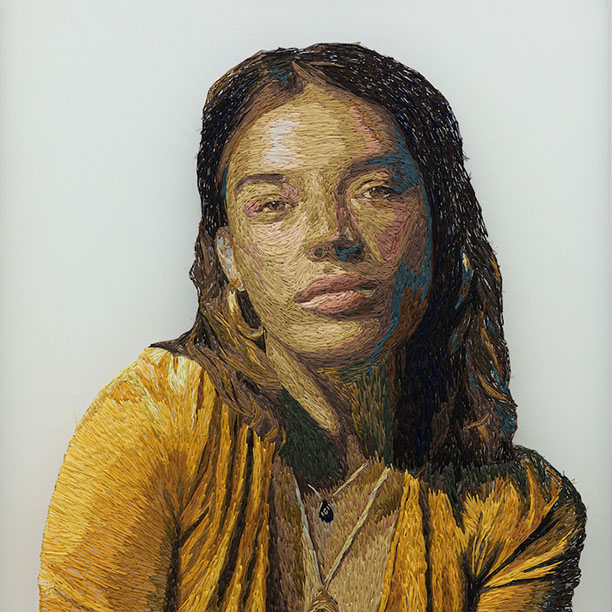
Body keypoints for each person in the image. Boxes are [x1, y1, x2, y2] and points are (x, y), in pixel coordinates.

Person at [39, 43, 586, 612]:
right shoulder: (154, 419)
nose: (331, 235)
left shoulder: (523, 511)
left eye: (376, 190)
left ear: (440, 227)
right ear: (228, 255)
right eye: (273, 204)